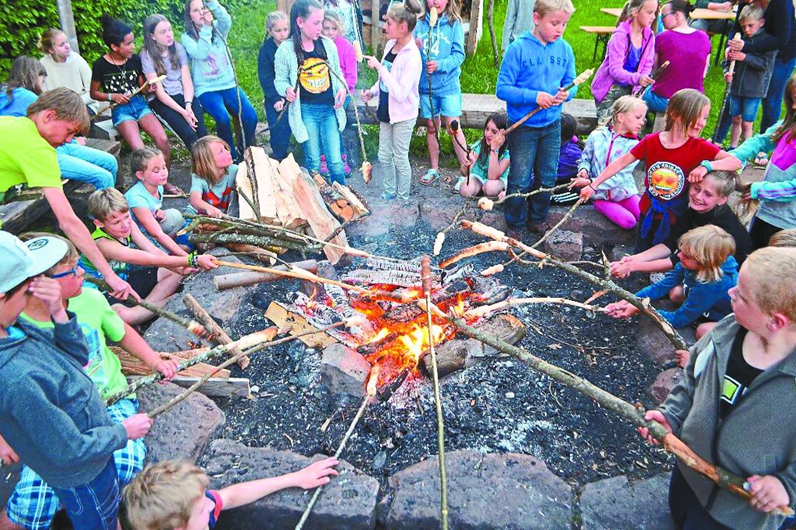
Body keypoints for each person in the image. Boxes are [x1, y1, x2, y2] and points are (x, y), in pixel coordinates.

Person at [0, 233, 178, 530]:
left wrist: (59, 312)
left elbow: (77, 356)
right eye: (26, 288)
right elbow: (69, 450)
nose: (83, 273)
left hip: (80, 431)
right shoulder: (17, 371)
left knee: (111, 489)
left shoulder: (16, 328)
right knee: (78, 512)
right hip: (79, 464)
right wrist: (122, 432)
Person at [638, 246, 796, 530]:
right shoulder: (727, 329)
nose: (730, 293)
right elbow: (691, 378)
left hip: (738, 513)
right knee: (679, 516)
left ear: (776, 321)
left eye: (742, 295)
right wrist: (672, 415)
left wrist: (787, 485)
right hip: (690, 470)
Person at [0, 88, 133, 298]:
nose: (69, 140)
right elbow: (68, 221)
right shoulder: (38, 149)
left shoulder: (11, 123)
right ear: (49, 116)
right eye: (69, 131)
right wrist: (109, 275)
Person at [578, 89, 731, 252]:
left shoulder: (699, 146)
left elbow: (734, 161)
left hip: (675, 215)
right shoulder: (652, 141)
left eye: (705, 117)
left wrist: (706, 166)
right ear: (675, 114)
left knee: (665, 251)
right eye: (697, 116)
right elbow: (619, 164)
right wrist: (593, 186)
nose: (702, 123)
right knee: (641, 246)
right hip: (648, 209)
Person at [496, 0, 577, 238]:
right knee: (520, 176)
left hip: (551, 124)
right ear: (536, 18)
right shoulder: (518, 49)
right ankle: (515, 224)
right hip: (523, 126)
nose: (560, 29)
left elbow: (571, 83)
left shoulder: (564, 49)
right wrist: (534, 97)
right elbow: (502, 89)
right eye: (554, 23)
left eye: (564, 23)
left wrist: (566, 93)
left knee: (547, 174)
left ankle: (538, 219)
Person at [82, 188, 217, 325]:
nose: (125, 225)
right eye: (116, 222)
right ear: (99, 223)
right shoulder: (102, 243)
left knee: (176, 272)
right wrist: (192, 260)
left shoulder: (128, 225)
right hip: (102, 292)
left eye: (127, 217)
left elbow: (154, 251)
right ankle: (169, 301)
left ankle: (145, 307)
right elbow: (149, 259)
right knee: (122, 316)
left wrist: (179, 268)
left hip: (125, 281)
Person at [701, 74, 796, 249]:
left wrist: (759, 190)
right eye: (793, 100)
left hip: (788, 223)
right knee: (752, 256)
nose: (795, 106)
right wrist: (733, 157)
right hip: (766, 212)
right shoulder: (787, 125)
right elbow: (759, 141)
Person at [1, 56, 118, 191]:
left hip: (59, 146)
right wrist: (72, 141)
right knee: (104, 177)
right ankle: (109, 210)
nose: (43, 85)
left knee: (109, 161)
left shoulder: (6, 94)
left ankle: (114, 204)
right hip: (45, 153)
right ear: (33, 78)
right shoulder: (28, 98)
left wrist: (71, 139)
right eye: (43, 81)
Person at [123, 458, 339, 529]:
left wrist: (294, 478)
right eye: (201, 511)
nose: (210, 504)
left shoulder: (197, 511)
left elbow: (230, 496)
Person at [611, 170, 754, 276]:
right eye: (696, 188)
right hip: (700, 263)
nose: (698, 197)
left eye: (708, 194)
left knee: (676, 293)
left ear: (722, 199)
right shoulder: (693, 211)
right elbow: (669, 244)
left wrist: (633, 266)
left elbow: (676, 260)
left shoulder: (719, 227)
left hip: (727, 274)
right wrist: (632, 259)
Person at [606, 225, 738, 329]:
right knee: (675, 293)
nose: (679, 256)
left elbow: (678, 320)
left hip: (723, 317)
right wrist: (630, 300)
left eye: (686, 255)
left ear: (704, 262)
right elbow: (661, 286)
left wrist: (641, 309)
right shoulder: (688, 262)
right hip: (703, 294)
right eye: (681, 251)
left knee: (702, 331)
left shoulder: (712, 284)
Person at [275, 0, 348, 185]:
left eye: (321, 22)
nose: (320, 28)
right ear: (300, 22)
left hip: (329, 110)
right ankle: (319, 201)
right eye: (316, 23)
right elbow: (280, 80)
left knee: (336, 160)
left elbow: (338, 74)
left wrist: (341, 91)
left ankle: (346, 198)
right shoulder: (286, 50)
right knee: (314, 160)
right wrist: (286, 90)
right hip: (306, 111)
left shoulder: (326, 45)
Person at [91, 15, 172, 172]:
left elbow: (142, 86)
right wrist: (112, 96)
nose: (133, 46)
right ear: (114, 47)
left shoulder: (134, 60)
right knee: (140, 151)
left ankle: (164, 179)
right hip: (121, 110)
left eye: (133, 42)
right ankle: (148, 184)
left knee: (163, 140)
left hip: (140, 105)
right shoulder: (100, 65)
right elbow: (94, 93)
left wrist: (149, 88)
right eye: (128, 44)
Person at [182, 0, 259, 162]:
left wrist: (213, 4)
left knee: (251, 116)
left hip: (228, 84)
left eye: (203, 8)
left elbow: (226, 20)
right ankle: (229, 157)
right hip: (206, 89)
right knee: (222, 118)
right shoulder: (187, 38)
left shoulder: (218, 27)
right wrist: (207, 28)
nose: (201, 12)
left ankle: (245, 151)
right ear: (190, 15)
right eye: (196, 10)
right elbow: (201, 54)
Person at [361, 0, 422, 201]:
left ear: (402, 27)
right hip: (386, 110)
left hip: (403, 115)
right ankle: (389, 191)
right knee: (384, 156)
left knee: (399, 158)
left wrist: (380, 68)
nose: (384, 26)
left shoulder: (412, 56)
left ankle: (403, 198)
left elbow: (401, 93)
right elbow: (385, 82)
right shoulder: (390, 45)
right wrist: (372, 91)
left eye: (388, 23)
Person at [414, 0, 468, 186]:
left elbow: (459, 55)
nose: (435, 2)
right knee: (431, 126)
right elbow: (408, 51)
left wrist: (441, 65)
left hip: (448, 86)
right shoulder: (419, 24)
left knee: (453, 127)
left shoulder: (455, 24)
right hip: (426, 86)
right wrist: (414, 46)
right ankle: (434, 169)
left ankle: (465, 172)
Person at [570, 95, 644, 230]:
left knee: (644, 216)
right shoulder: (596, 136)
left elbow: (619, 177)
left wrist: (589, 183)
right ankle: (598, 203)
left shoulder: (635, 146)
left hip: (624, 193)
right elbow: (585, 158)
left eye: (643, 118)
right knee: (629, 222)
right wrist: (584, 170)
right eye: (638, 117)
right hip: (600, 195)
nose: (642, 122)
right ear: (621, 117)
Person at [726, 0, 796, 137]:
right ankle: (718, 139)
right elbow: (736, 28)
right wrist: (731, 45)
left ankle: (765, 143)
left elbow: (781, 39)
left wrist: (746, 48)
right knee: (735, 92)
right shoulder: (746, 1)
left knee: (771, 99)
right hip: (753, 49)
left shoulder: (781, 3)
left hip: (782, 54)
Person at [142, 14, 208, 154]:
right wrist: (183, 112)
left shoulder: (178, 48)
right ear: (152, 36)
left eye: (169, 30)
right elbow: (159, 93)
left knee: (202, 134)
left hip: (184, 95)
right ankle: (203, 170)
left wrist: (188, 105)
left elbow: (187, 81)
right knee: (190, 136)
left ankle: (208, 168)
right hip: (163, 101)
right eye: (163, 32)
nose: (169, 35)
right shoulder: (147, 55)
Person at [714, 5, 776, 149]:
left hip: (754, 90)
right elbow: (728, 61)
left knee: (747, 122)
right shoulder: (740, 38)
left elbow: (764, 65)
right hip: (736, 88)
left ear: (761, 22)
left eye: (750, 25)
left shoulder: (767, 42)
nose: (746, 30)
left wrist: (745, 57)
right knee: (736, 118)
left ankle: (746, 149)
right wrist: (726, 71)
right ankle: (733, 147)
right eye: (743, 27)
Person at [591, 0, 656, 123]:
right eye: (649, 12)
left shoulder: (649, 36)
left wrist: (644, 78)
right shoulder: (620, 36)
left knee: (629, 126)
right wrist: (638, 78)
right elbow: (615, 70)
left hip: (631, 90)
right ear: (635, 12)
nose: (653, 17)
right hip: (610, 91)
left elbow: (648, 64)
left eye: (655, 13)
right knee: (607, 127)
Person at [642, 0, 711, 113]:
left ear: (677, 15)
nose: (661, 20)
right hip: (694, 101)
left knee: (637, 91)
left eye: (663, 16)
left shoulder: (662, 38)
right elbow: (703, 74)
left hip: (665, 99)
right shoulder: (704, 37)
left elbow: (654, 71)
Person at [125, 148, 189, 256]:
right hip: (135, 237)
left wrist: (157, 212)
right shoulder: (137, 198)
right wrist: (188, 259)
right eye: (156, 171)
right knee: (165, 256)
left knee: (176, 216)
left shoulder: (159, 187)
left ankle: (171, 246)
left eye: (164, 167)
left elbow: (151, 208)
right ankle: (170, 249)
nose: (164, 173)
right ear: (141, 175)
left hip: (148, 227)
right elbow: (156, 234)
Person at [322, 10, 357, 176]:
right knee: (321, 121)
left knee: (335, 121)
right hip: (322, 90)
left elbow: (352, 78)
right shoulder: (319, 46)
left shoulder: (346, 48)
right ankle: (324, 158)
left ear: (339, 29)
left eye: (333, 29)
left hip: (343, 92)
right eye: (326, 29)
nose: (330, 33)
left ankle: (341, 157)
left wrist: (343, 90)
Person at [39, 28, 100, 114]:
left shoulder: (77, 60)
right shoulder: (43, 64)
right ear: (51, 50)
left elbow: (93, 92)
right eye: (62, 45)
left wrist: (70, 104)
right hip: (56, 108)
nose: (68, 46)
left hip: (82, 105)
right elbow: (43, 93)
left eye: (67, 42)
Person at [258, 11, 292, 161]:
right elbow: (266, 77)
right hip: (275, 96)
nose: (283, 34)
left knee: (293, 123)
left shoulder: (293, 45)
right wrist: (275, 98)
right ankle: (279, 155)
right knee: (278, 126)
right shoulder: (266, 51)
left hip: (294, 92)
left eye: (285, 30)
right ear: (270, 31)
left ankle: (299, 152)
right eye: (278, 31)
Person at [455, 112, 510, 199]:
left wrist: (494, 149)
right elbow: (464, 172)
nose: (488, 134)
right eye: (487, 129)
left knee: (490, 188)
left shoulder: (507, 152)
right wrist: (467, 165)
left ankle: (496, 191)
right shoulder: (480, 145)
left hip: (496, 181)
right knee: (465, 190)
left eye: (494, 132)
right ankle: (480, 190)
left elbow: (493, 176)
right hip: (478, 177)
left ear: (503, 135)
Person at [187, 135, 238, 216]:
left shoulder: (234, 171)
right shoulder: (199, 177)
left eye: (225, 148)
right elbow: (194, 199)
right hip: (196, 215)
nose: (228, 152)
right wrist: (209, 208)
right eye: (221, 151)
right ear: (207, 161)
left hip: (222, 217)